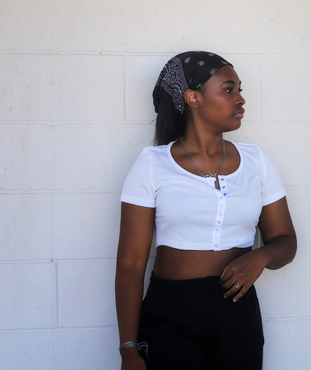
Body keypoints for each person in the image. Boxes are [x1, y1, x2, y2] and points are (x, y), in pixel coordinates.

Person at [115, 51, 297, 370]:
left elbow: (285, 240)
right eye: (228, 89)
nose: (240, 99)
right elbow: (130, 262)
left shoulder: (256, 161)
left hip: (237, 314)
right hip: (170, 316)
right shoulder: (152, 165)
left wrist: (261, 256)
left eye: (240, 89)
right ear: (194, 98)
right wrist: (129, 348)